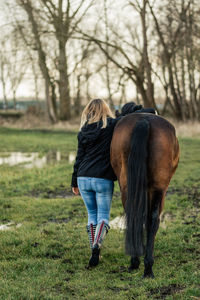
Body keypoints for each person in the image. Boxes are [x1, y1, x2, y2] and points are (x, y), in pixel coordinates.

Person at [71, 99, 119, 267]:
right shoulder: (111, 125)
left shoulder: (83, 131)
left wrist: (74, 181)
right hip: (102, 178)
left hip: (83, 178)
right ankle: (97, 245)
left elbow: (79, 158)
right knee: (103, 217)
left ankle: (95, 249)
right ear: (105, 110)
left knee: (92, 215)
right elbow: (128, 119)